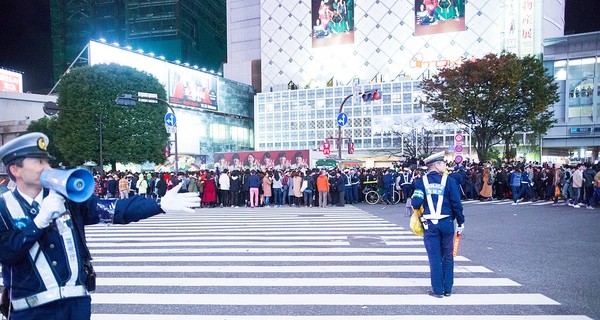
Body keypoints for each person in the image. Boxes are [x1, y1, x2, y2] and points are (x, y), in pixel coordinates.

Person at [0, 132, 200, 320]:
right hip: (31, 311)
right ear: (15, 170)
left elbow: (114, 210)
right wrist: (39, 221)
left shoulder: (67, 199)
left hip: (76, 305)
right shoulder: (3, 207)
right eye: (39, 161)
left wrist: (158, 205)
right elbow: (6, 253)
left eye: (46, 161)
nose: (47, 166)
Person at [411, 151, 464, 298]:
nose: (445, 166)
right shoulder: (450, 181)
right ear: (436, 165)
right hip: (447, 223)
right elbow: (457, 204)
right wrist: (460, 221)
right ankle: (448, 289)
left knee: (434, 257)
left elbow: (416, 203)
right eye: (443, 163)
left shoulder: (420, 182)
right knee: (448, 256)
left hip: (430, 224)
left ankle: (438, 290)